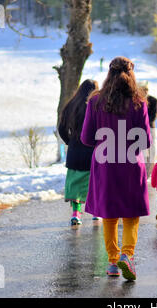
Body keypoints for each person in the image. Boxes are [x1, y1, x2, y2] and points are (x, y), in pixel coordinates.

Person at [81, 56, 151, 280]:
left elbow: (86, 138)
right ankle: (127, 255)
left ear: (108, 74)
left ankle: (112, 262)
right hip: (131, 165)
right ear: (131, 75)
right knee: (131, 215)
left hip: (106, 166)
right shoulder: (139, 102)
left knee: (109, 214)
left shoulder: (95, 101)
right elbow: (146, 141)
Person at [58, 79, 99, 226]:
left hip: (75, 152)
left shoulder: (71, 105)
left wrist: (70, 142)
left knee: (75, 184)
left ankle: (76, 213)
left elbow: (61, 128)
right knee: (95, 183)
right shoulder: (96, 106)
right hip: (93, 151)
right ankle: (96, 212)